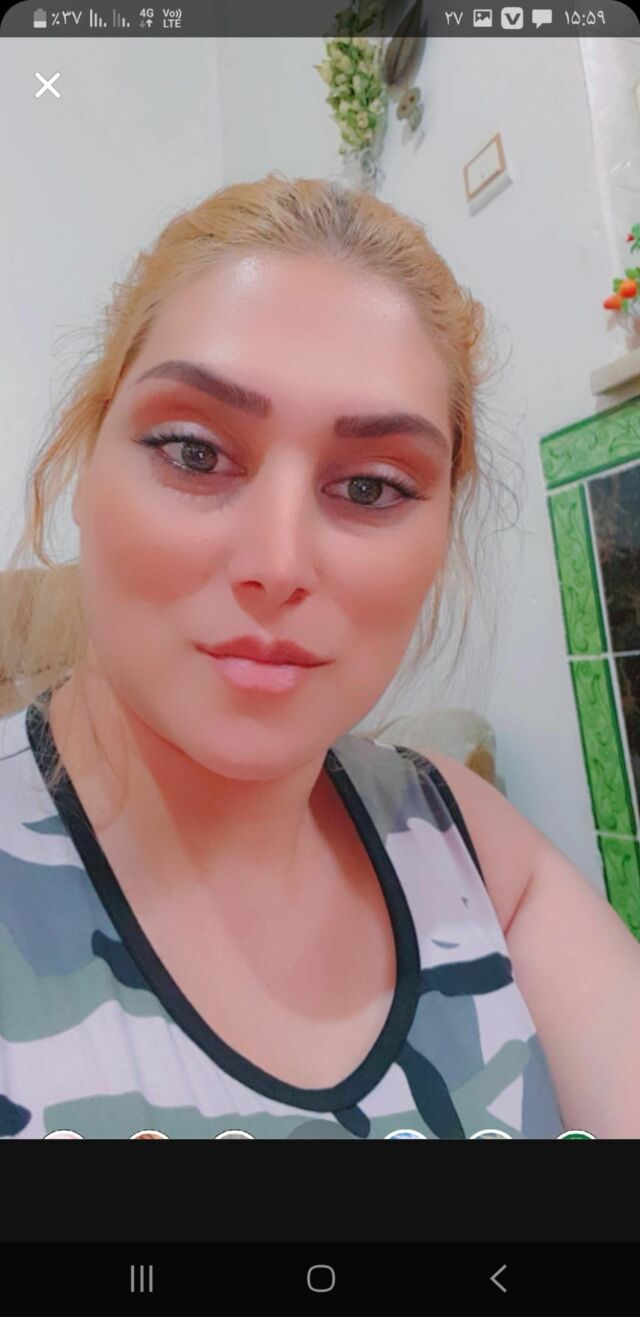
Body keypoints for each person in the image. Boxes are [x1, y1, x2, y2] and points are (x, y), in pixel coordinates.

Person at [0, 174, 638, 1141]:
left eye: (372, 488)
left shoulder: (461, 838)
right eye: (195, 452)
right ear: (86, 467)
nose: (278, 562)